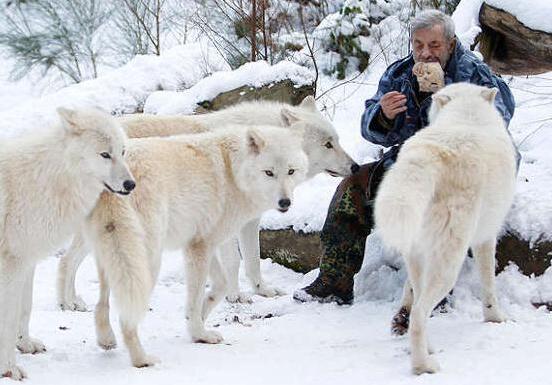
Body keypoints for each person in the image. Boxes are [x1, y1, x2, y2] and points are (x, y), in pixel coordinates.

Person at [293, 9, 516, 305]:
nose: (425, 54)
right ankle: (334, 281)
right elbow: (368, 128)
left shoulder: (475, 74)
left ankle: (433, 291)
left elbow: (502, 115)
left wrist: (452, 102)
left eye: (434, 46)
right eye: (418, 45)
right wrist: (382, 116)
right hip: (410, 164)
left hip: (461, 172)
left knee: (436, 201)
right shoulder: (399, 74)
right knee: (352, 189)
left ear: (450, 44)